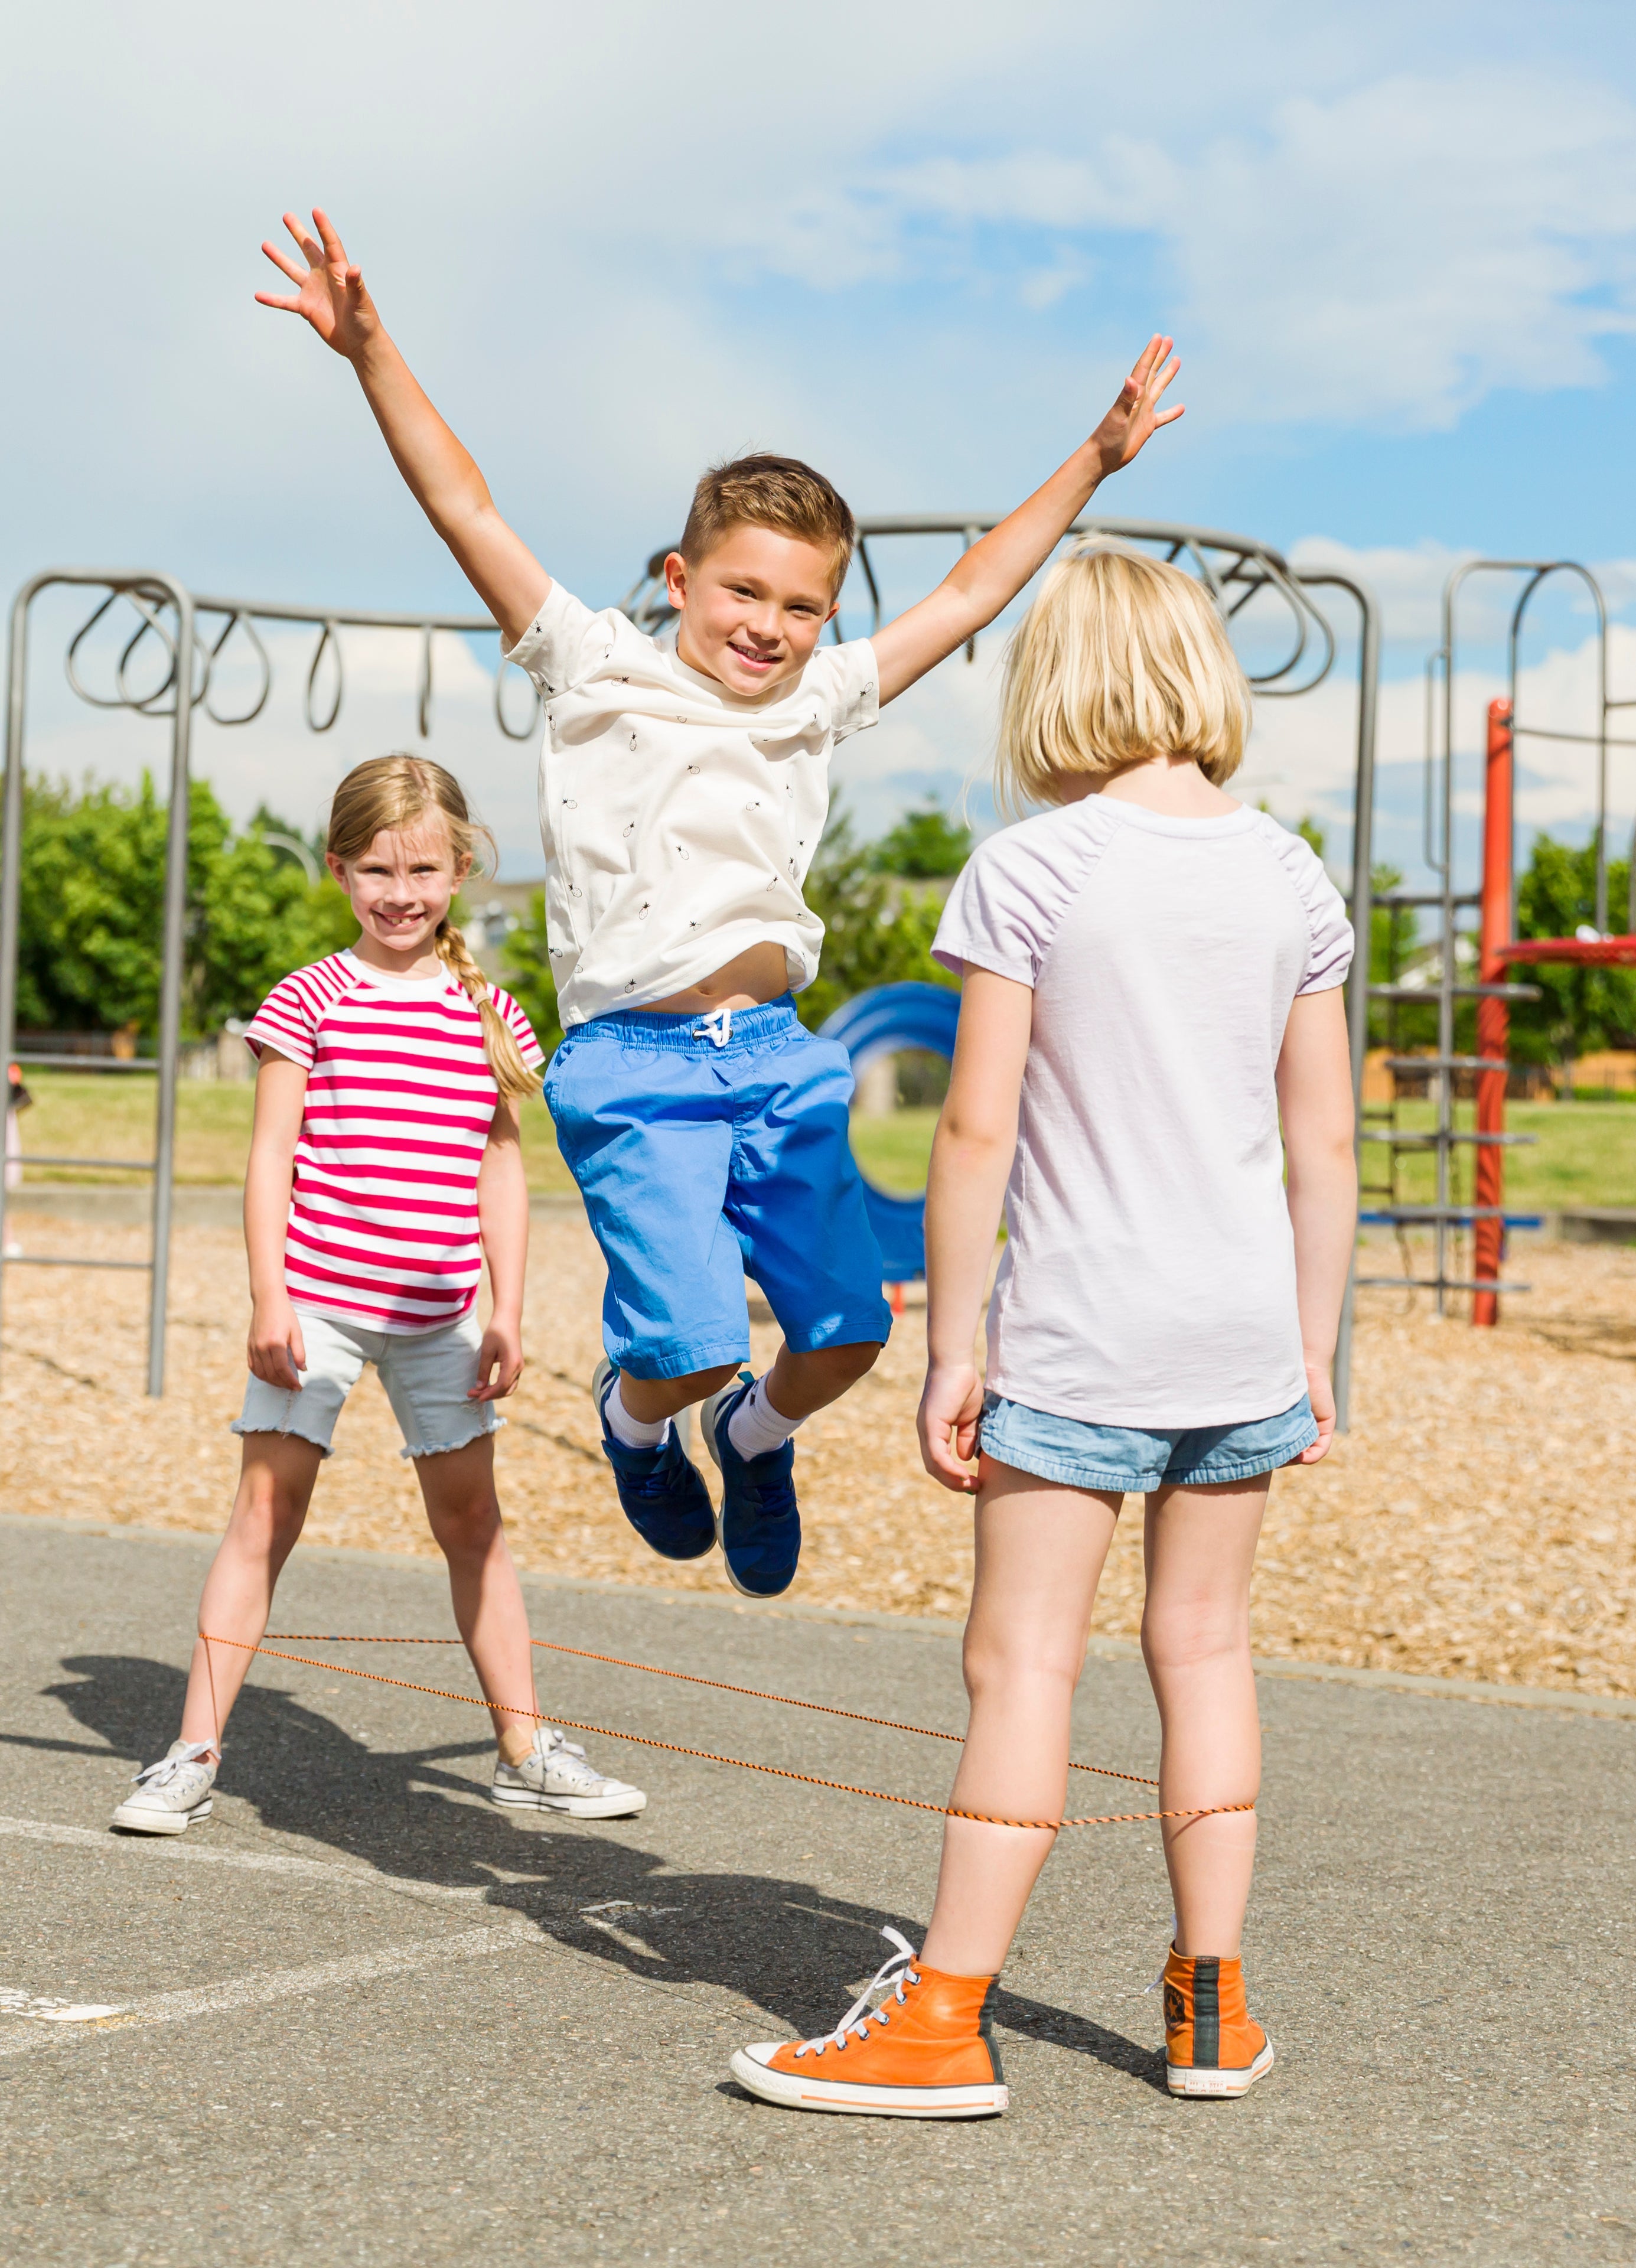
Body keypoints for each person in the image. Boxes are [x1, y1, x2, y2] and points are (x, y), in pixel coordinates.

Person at [254, 207, 1183, 1602]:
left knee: (848, 1329)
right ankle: (640, 1425)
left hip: (778, 1054)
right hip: (632, 1062)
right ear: (680, 580)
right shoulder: (592, 667)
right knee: (684, 1339)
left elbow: (973, 585)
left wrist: (1095, 460)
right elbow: (465, 504)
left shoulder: (820, 697)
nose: (768, 625)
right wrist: (370, 352)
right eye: (742, 591)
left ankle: (753, 1444)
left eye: (800, 606)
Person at [731, 546, 1358, 2115]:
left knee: (1021, 1669)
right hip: (1237, 1333)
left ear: (1056, 685)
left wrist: (952, 1344)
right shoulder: (1290, 872)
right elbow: (1327, 1147)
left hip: (1080, 1327)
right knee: (1205, 1652)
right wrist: (1314, 1347)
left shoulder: (1031, 868)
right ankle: (1210, 2009)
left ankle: (944, 2019)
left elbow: (973, 1135)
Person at [112, 756, 645, 1834]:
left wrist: (509, 1310)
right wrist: (271, 1300)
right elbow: (271, 1158)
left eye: (423, 869)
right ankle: (192, 1751)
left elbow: (502, 1168)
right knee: (266, 1514)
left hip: (445, 1318)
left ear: (460, 871)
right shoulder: (308, 998)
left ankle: (523, 1747)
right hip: (320, 1302)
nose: (399, 892)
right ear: (340, 871)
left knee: (475, 1525)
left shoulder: (489, 1011)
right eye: (376, 870)